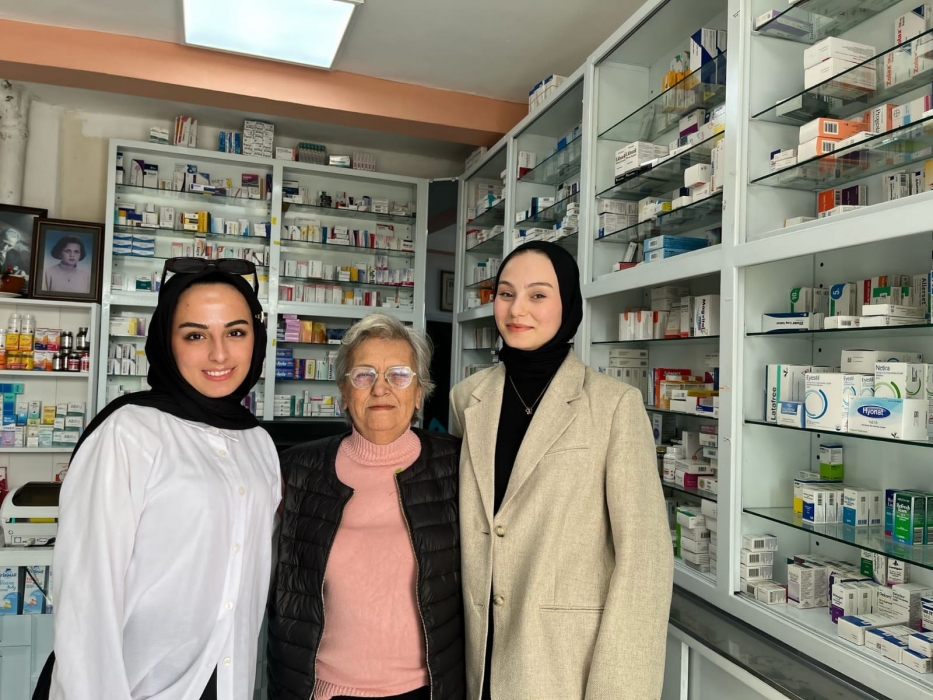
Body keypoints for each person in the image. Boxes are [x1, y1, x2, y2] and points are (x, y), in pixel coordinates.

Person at [41, 257, 280, 700]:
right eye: (195, 335)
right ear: (165, 341)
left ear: (257, 338)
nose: (219, 354)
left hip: (228, 682)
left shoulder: (259, 444)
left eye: (236, 332)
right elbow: (86, 599)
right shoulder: (129, 432)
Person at [450, 241, 674, 700]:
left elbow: (645, 561)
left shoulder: (613, 405)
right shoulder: (468, 397)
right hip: (479, 658)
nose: (517, 309)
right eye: (506, 293)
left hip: (564, 666)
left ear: (568, 304)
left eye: (537, 294)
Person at [267, 312, 465, 700]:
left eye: (399, 375)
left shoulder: (457, 466)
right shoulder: (297, 471)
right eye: (363, 375)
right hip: (324, 691)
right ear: (344, 391)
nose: (381, 388)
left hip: (427, 691)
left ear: (419, 392)